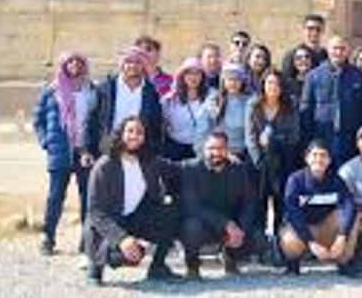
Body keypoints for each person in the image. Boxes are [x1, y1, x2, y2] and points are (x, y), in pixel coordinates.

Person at [83, 116, 179, 285]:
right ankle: (95, 266)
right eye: (130, 131)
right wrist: (122, 239)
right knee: (126, 257)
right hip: (106, 224)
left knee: (171, 213)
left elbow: (179, 168)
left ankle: (158, 268)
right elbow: (95, 211)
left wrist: (217, 156)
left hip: (133, 218)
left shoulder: (149, 161)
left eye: (140, 132)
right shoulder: (105, 166)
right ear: (120, 134)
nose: (135, 136)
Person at [33, 52, 96, 256]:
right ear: (64, 65)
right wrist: (47, 143)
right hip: (60, 151)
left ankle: (86, 240)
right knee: (55, 196)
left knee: (87, 196)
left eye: (79, 61)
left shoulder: (92, 90)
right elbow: (38, 120)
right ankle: (48, 236)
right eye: (71, 61)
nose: (75, 64)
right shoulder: (51, 91)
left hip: (85, 151)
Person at [181, 130, 258, 279]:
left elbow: (249, 202)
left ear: (227, 150)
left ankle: (231, 258)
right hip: (204, 224)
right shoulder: (190, 169)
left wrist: (240, 229)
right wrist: (225, 223)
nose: (216, 152)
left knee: (258, 238)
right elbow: (191, 206)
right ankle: (192, 267)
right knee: (190, 228)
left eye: (220, 148)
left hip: (231, 227)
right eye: (211, 148)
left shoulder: (239, 169)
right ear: (203, 149)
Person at [280, 140, 360, 276]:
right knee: (288, 239)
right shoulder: (296, 180)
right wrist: (310, 242)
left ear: (329, 160)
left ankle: (343, 261)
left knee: (353, 216)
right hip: (304, 229)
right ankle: (293, 265)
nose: (319, 159)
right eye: (314, 155)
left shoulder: (336, 180)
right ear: (307, 158)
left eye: (323, 155)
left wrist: (342, 236)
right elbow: (292, 212)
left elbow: (348, 205)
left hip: (325, 227)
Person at [245, 70, 301, 253]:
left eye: (277, 83)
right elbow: (250, 137)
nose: (273, 87)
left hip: (283, 162)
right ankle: (260, 247)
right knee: (259, 205)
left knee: (280, 204)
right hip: (259, 163)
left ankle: (280, 245)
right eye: (269, 83)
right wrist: (258, 160)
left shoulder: (290, 105)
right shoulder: (253, 105)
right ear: (263, 85)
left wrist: (273, 140)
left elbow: (294, 136)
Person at [299, 35, 362, 167]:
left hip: (350, 139)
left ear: (347, 51)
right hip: (322, 138)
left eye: (342, 48)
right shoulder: (314, 76)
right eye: (335, 48)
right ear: (328, 50)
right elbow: (306, 108)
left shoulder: (358, 76)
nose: (338, 52)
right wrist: (308, 140)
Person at [85, 46, 163, 157]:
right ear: (122, 64)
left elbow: (156, 124)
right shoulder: (105, 89)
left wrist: (154, 150)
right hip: (108, 148)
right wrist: (89, 150)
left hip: (139, 151)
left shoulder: (151, 92)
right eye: (128, 61)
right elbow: (91, 119)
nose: (133, 66)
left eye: (138, 62)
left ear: (143, 66)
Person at [197, 62, 251, 159]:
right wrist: (202, 153)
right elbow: (202, 130)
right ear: (223, 81)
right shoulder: (213, 100)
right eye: (230, 79)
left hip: (242, 153)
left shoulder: (248, 102)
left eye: (237, 79)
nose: (233, 83)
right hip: (216, 153)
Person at [160, 57, 208, 161]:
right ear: (182, 76)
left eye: (197, 73)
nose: (193, 77)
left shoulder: (210, 97)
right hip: (175, 149)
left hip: (201, 149)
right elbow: (162, 124)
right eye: (189, 73)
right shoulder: (169, 100)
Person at [281, 14, 329, 79]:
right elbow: (286, 81)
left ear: (323, 31)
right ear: (303, 30)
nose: (314, 33)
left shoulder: (327, 56)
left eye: (318, 29)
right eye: (310, 29)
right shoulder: (292, 55)